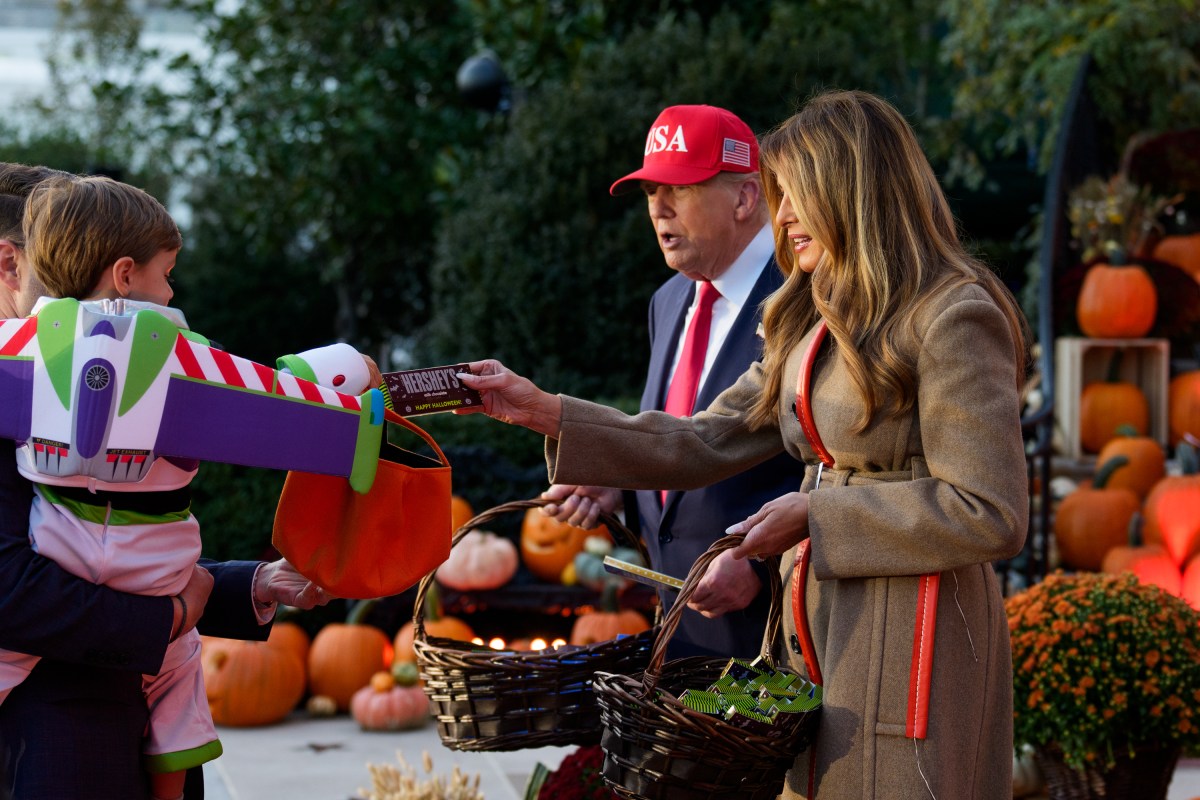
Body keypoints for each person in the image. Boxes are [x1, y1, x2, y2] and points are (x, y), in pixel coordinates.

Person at [456, 90, 1030, 799]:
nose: (782, 215)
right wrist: (545, 412)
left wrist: (816, 515)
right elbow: (703, 440)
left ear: (851, 193)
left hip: (919, 633)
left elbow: (990, 509)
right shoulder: (814, 316)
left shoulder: (956, 314)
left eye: (796, 195)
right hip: (818, 623)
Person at [0, 170, 353, 800]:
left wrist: (247, 584)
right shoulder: (25, 374)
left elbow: (113, 549)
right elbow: (10, 590)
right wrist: (174, 613)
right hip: (58, 751)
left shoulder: (41, 367)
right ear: (9, 263)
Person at [542, 104, 804, 658]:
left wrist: (763, 562)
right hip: (681, 637)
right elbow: (677, 446)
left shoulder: (805, 295)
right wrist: (622, 487)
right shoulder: (668, 302)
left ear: (744, 197)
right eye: (649, 192)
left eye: (679, 189)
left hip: (782, 641)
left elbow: (838, 460)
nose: (658, 208)